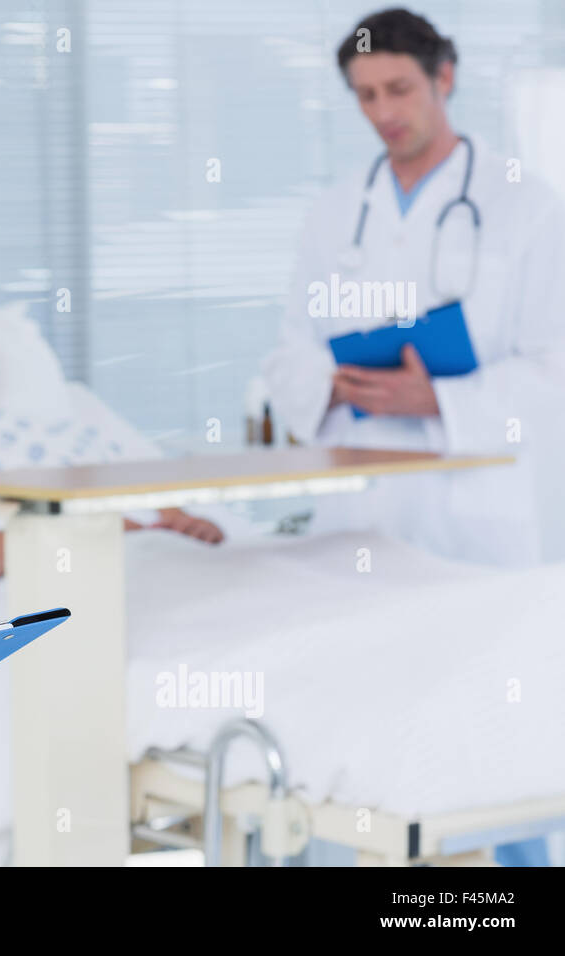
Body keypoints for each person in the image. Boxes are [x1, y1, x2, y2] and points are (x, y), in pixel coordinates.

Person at [262, 7, 565, 865]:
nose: (384, 111)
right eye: (365, 96)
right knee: (365, 731)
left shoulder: (525, 205)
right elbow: (289, 352)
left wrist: (436, 397)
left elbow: (553, 367)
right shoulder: (336, 213)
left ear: (445, 76)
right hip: (364, 502)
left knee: (498, 736)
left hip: (475, 514)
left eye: (398, 88)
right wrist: (334, 380)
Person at [0, 283, 225, 596]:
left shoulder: (67, 430)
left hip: (167, 565)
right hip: (58, 589)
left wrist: (184, 522)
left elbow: (156, 506)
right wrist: (75, 533)